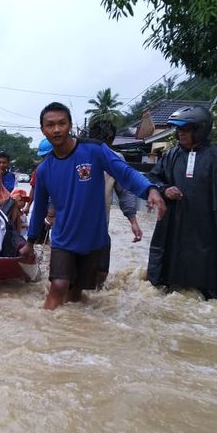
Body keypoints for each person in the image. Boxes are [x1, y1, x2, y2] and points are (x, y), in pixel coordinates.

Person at [20, 102, 166, 310]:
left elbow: (125, 172)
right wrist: (30, 241)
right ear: (43, 130)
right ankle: (43, 328)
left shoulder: (95, 150)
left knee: (77, 291)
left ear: (70, 124)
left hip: (94, 238)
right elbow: (40, 207)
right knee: (59, 285)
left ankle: (66, 334)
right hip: (63, 238)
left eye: (62, 123)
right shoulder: (44, 170)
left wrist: (149, 189)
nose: (57, 129)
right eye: (50, 125)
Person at [147, 105, 217, 300]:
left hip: (205, 227)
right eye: (179, 130)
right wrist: (165, 189)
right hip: (173, 223)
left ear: (200, 129)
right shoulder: (170, 155)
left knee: (207, 281)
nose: (180, 134)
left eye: (185, 129)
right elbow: (153, 180)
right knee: (166, 278)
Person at [86, 118, 143, 287]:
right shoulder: (76, 156)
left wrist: (132, 219)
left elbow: (125, 190)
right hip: (74, 229)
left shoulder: (115, 159)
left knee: (100, 275)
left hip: (100, 229)